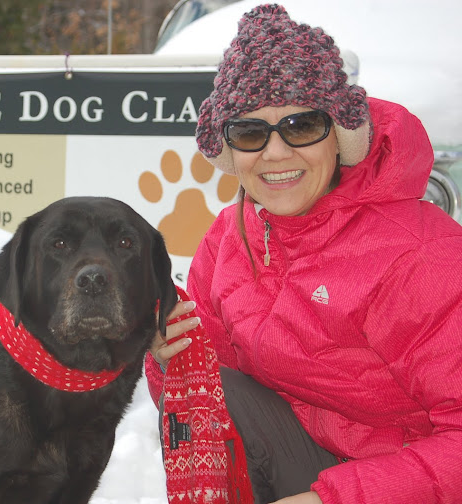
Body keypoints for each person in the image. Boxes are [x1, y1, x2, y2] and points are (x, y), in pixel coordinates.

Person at [145, 4, 462, 504]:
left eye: (301, 125)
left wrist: (332, 498)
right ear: (230, 150)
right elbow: (212, 383)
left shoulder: (421, 255)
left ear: (341, 135)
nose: (275, 153)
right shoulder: (232, 234)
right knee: (210, 388)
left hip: (404, 481)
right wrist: (170, 358)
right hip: (304, 455)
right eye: (251, 131)